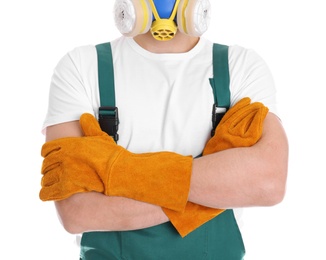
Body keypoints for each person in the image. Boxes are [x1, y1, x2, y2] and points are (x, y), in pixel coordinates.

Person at [40, 0, 288, 259]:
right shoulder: (81, 67)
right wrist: (220, 187)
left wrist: (115, 169)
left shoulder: (241, 66)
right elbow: (76, 213)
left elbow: (267, 183)